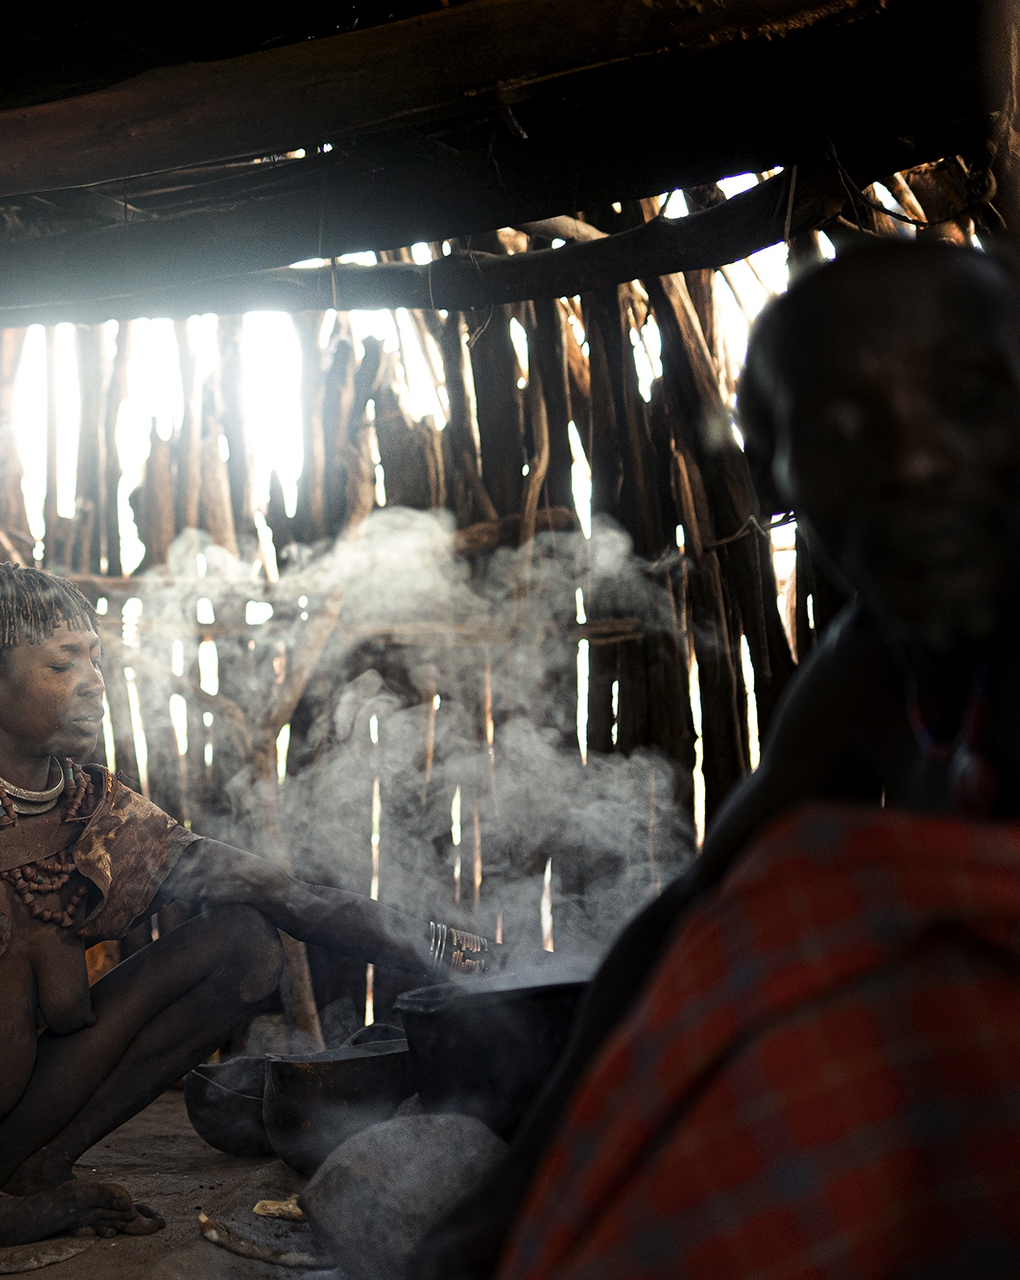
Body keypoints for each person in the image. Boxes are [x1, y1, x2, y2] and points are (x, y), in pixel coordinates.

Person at [417, 240, 1020, 1278]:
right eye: (836, 431)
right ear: (777, 473)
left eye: (968, 398)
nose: (915, 460)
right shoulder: (876, 668)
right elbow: (698, 907)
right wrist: (521, 1183)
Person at [0, 563, 435, 1279]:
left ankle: (38, 1169)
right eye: (64, 664)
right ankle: (0, 1217)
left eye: (95, 658)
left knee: (244, 943)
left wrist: (450, 949)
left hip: (18, 1133)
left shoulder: (99, 814)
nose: (94, 682)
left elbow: (286, 896)